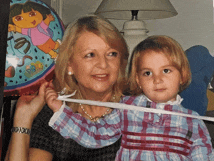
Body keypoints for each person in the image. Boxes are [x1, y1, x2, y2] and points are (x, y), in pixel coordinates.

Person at [47, 36, 212, 161]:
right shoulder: (127, 109)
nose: (157, 79)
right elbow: (95, 135)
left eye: (166, 70)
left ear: (182, 76)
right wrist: (61, 112)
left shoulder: (193, 122)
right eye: (147, 73)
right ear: (139, 81)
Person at [5, 15, 129, 161]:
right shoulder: (52, 113)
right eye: (90, 55)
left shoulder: (137, 111)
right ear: (69, 64)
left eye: (112, 54)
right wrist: (23, 118)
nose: (103, 64)